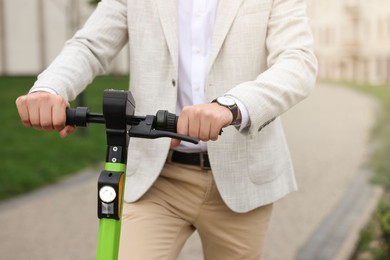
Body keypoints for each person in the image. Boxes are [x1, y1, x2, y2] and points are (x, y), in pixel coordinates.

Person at [16, 0, 317, 259]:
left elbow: (297, 62)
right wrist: (49, 89)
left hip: (242, 178)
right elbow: (91, 45)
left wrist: (231, 105)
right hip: (157, 178)